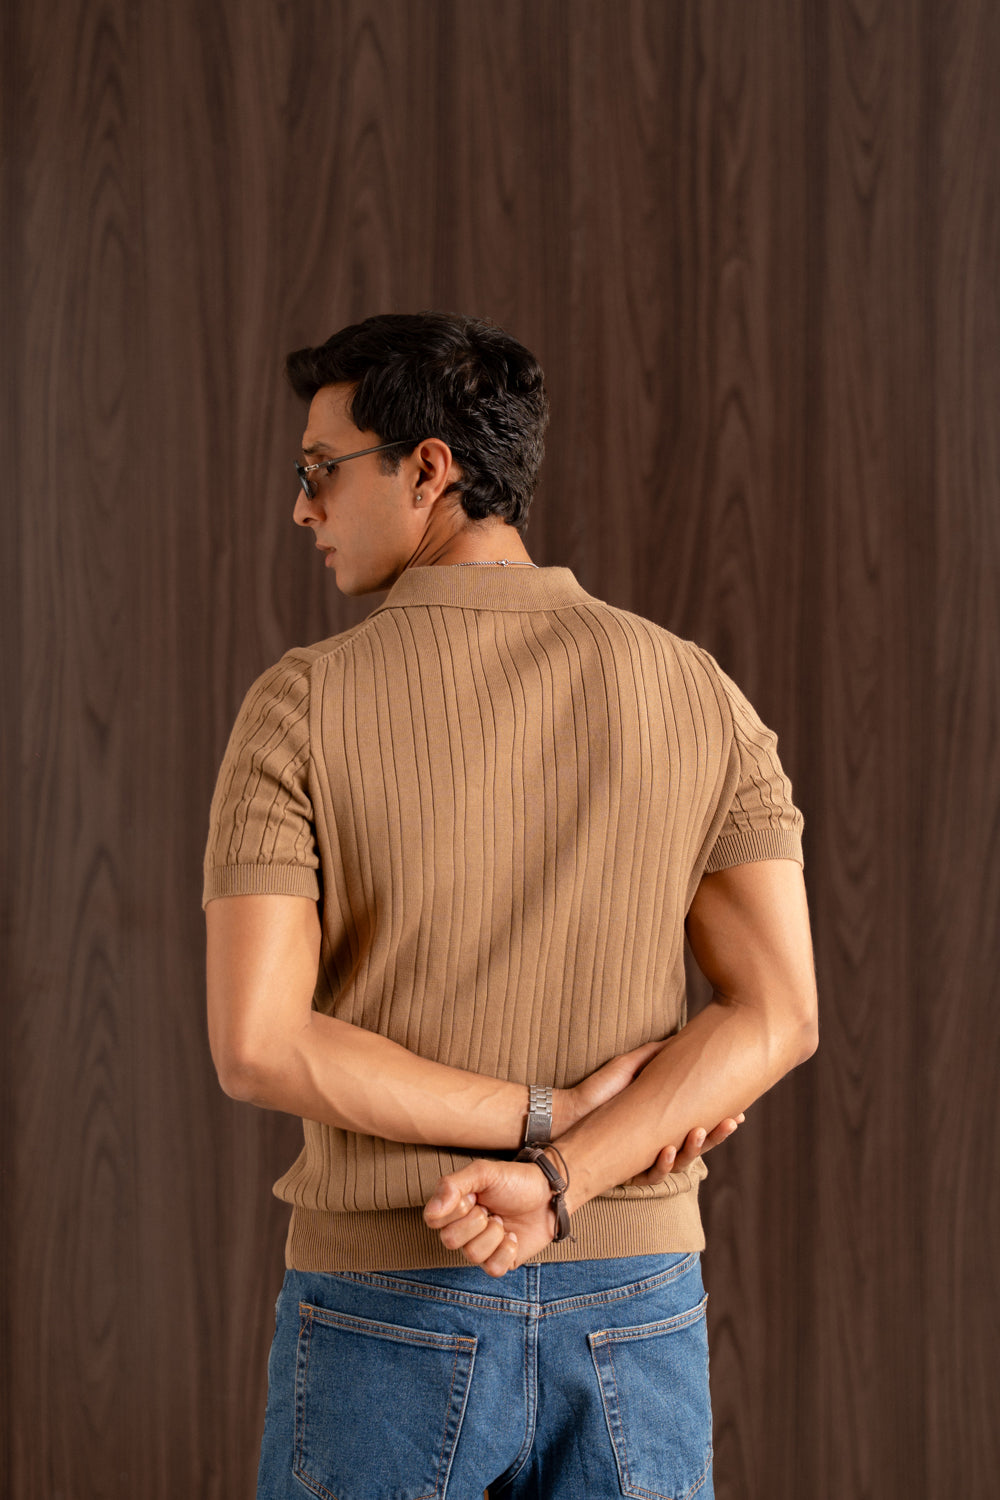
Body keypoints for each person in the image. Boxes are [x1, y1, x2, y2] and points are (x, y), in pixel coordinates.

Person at [202, 311, 818, 1500]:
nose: (301, 509)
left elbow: (258, 1044)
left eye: (321, 471)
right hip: (633, 1301)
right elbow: (777, 1015)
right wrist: (564, 1166)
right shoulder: (695, 689)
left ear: (427, 468)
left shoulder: (302, 705)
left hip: (389, 1295)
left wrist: (538, 1121)